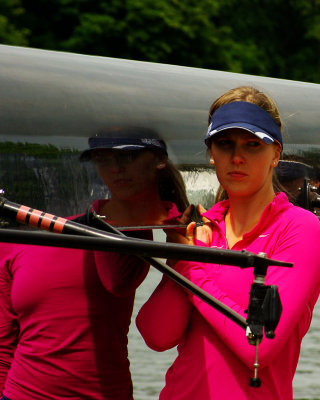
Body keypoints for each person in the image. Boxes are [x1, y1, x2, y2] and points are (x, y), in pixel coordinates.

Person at [136, 86, 320, 400]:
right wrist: (183, 253)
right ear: (211, 152)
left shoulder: (300, 228)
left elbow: (259, 345)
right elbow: (157, 334)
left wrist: (193, 259)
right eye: (225, 144)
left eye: (252, 145)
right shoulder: (204, 228)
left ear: (275, 153)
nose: (236, 157)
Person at [0, 127, 189, 400]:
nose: (116, 169)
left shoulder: (149, 230)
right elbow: (3, 347)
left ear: (159, 159)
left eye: (129, 157)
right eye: (103, 159)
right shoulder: (14, 241)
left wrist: (176, 236)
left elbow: (118, 281)